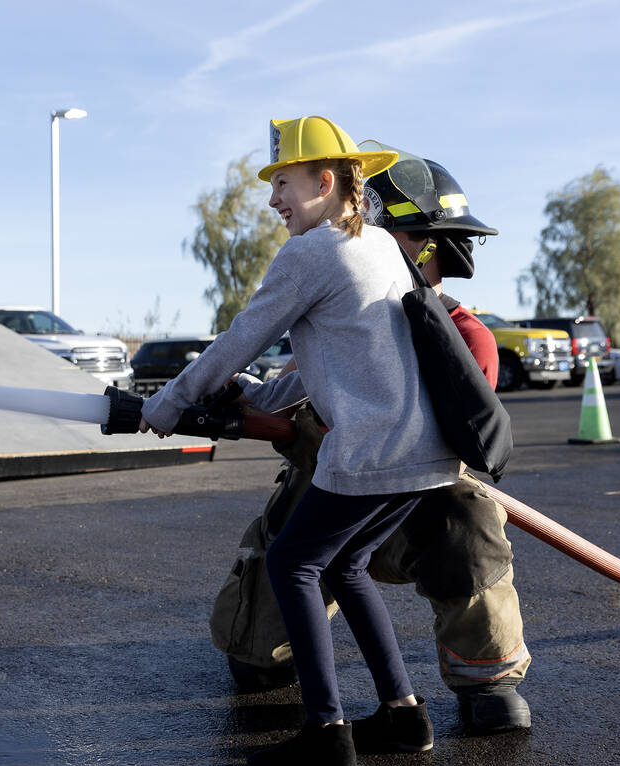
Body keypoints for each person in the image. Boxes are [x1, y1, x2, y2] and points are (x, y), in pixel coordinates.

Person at [139, 116, 455, 766]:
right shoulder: (377, 247)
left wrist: (169, 403)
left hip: (373, 450)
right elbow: (337, 362)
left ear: (327, 180)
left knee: (291, 564)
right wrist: (260, 395)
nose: (274, 198)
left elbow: (241, 336)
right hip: (427, 452)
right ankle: (404, 715)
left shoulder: (312, 251)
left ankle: (326, 733)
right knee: (345, 566)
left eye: (283, 182)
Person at [210, 145, 533, 734]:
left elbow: (429, 438)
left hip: (413, 515)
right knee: (264, 626)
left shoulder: (465, 338)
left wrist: (286, 427)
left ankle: (487, 679)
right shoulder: (346, 319)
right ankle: (285, 659)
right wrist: (238, 407)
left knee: (469, 517)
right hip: (333, 490)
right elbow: (294, 399)